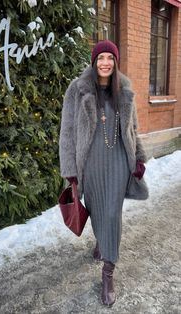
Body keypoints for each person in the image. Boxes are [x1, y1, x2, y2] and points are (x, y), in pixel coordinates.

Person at [59, 40, 149, 307]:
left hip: (119, 163)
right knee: (98, 212)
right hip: (92, 166)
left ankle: (108, 272)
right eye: (101, 58)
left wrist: (139, 158)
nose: (105, 63)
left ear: (116, 61)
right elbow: (67, 133)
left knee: (112, 214)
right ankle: (101, 241)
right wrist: (70, 170)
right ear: (94, 62)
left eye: (110, 57)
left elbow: (133, 129)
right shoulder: (78, 90)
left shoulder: (124, 90)